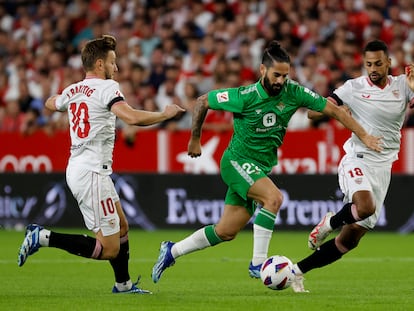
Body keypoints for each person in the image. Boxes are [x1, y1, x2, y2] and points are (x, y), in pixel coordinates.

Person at [151, 40, 382, 284]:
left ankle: (171, 251)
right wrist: (195, 139)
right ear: (262, 70)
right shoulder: (244, 96)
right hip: (236, 161)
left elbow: (333, 110)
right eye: (276, 75)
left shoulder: (294, 92)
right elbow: (202, 101)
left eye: (285, 75)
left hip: (257, 167)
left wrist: (364, 135)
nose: (281, 81)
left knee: (226, 231)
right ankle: (258, 264)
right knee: (274, 198)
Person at [17, 35, 184, 294]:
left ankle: (123, 284)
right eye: (112, 62)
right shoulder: (108, 88)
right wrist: (164, 114)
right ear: (99, 64)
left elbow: (52, 102)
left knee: (122, 227)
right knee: (108, 248)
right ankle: (42, 237)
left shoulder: (73, 90)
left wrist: (57, 99)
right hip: (91, 173)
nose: (116, 68)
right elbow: (130, 117)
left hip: (83, 168)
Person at [291, 39, 414, 293]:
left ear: (389, 62)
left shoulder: (403, 84)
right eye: (368, 64)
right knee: (364, 206)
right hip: (357, 157)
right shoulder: (352, 87)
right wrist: (337, 109)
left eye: (378, 63)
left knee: (349, 241)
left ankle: (296, 271)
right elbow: (313, 114)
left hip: (384, 166)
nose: (373, 68)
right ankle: (329, 222)